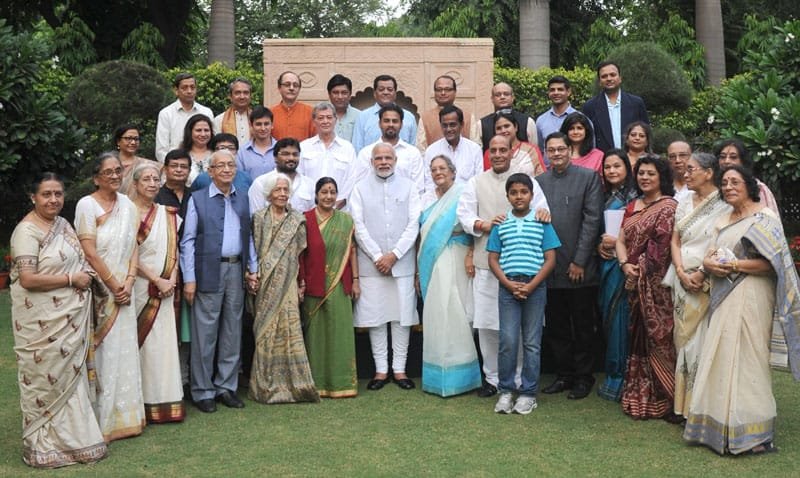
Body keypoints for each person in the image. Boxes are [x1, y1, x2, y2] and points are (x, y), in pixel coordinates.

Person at [683, 165, 800, 455]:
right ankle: (717, 429)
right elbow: (710, 257)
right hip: (723, 298)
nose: (729, 186)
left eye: (735, 181)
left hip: (752, 296)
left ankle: (752, 434)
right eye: (724, 183)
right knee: (720, 356)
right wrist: (706, 268)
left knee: (748, 358)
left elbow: (768, 265)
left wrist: (731, 266)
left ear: (749, 186)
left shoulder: (765, 219)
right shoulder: (722, 220)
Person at [10, 173, 108, 468]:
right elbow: (27, 279)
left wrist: (86, 277)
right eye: (46, 195)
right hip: (40, 324)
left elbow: (79, 260)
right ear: (33, 197)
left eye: (58, 194)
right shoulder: (26, 231)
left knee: (71, 377)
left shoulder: (63, 225)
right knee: (44, 381)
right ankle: (43, 446)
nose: (53, 200)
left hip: (69, 322)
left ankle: (78, 442)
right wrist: (71, 279)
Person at [457, 135, 550, 397]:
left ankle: (519, 378)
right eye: (493, 150)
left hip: (523, 266)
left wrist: (543, 214)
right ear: (488, 154)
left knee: (517, 327)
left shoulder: (527, 182)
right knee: (487, 323)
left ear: (512, 152)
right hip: (488, 264)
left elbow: (542, 211)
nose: (498, 154)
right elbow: (464, 215)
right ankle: (493, 378)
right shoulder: (476, 182)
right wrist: (484, 224)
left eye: (503, 150)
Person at [74, 153, 145, 441]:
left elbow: (133, 246)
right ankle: (99, 419)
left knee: (125, 350)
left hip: (124, 291)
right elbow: (88, 251)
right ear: (96, 178)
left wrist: (128, 281)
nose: (115, 176)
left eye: (118, 171)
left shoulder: (128, 205)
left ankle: (125, 418)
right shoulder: (86, 205)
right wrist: (114, 285)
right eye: (108, 172)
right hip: (100, 292)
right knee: (102, 351)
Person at [180, 150, 258, 413]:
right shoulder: (198, 199)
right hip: (207, 272)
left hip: (236, 270)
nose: (226, 169)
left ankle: (227, 387)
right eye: (220, 165)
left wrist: (253, 268)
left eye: (231, 165)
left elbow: (249, 236)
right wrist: (189, 279)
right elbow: (187, 241)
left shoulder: (243, 198)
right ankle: (202, 391)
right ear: (210, 171)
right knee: (205, 333)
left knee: (232, 331)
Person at [536, 132, 603, 400]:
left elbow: (592, 220)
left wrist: (580, 260)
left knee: (583, 325)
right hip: (550, 267)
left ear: (570, 150)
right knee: (557, 325)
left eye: (561, 149)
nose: (556, 154)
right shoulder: (539, 182)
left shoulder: (588, 178)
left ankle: (583, 377)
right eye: (551, 150)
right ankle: (564, 374)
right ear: (546, 153)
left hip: (580, 268)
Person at [350, 143, 421, 390]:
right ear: (371, 161)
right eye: (378, 158)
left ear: (395, 159)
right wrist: (379, 256)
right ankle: (381, 370)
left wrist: (395, 255)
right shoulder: (359, 189)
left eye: (387, 157)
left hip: (402, 264)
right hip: (372, 266)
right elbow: (357, 225)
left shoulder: (410, 187)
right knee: (377, 318)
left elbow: (414, 223)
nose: (383, 162)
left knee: (401, 318)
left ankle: (400, 370)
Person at [487, 173, 560, 414]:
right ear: (507, 196)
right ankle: (506, 390)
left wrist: (531, 285)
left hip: (535, 287)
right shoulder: (501, 223)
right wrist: (508, 284)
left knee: (531, 342)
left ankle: (528, 393)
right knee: (508, 340)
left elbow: (550, 259)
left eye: (524, 192)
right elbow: (493, 258)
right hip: (508, 288)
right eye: (514, 192)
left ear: (531, 195)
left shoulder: (542, 222)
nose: (519, 196)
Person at [664, 152, 730, 418]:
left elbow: (723, 243)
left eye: (691, 169)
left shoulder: (725, 205)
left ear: (709, 172)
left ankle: (701, 407)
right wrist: (681, 271)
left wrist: (701, 273)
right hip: (681, 279)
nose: (686, 173)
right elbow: (675, 240)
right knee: (682, 340)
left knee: (701, 343)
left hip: (708, 281)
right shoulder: (684, 201)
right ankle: (681, 407)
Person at [615, 154, 678, 421]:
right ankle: (640, 395)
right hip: (634, 284)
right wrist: (624, 264)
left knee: (662, 339)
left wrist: (641, 267)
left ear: (661, 177)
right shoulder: (632, 206)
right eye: (641, 173)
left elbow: (665, 250)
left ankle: (669, 396)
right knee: (637, 337)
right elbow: (620, 240)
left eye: (650, 173)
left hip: (660, 288)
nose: (645, 178)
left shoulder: (669, 207)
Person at [248, 173, 319, 403]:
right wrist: (251, 276)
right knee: (266, 332)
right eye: (277, 190)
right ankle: (265, 386)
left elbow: (300, 255)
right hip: (265, 284)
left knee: (290, 330)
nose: (281, 194)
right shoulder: (258, 218)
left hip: (289, 283)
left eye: (285, 190)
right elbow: (254, 251)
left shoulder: (297, 220)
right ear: (269, 194)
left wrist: (301, 283)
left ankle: (293, 385)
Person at [418, 155, 482, 397]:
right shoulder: (426, 197)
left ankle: (463, 376)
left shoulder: (464, 192)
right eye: (433, 169)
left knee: (459, 311)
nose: (438, 172)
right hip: (434, 262)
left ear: (453, 171)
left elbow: (474, 226)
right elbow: (422, 234)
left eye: (442, 168)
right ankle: (437, 376)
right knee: (437, 313)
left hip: (459, 257)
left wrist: (472, 254)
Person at [129, 163, 185, 423]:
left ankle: (165, 401)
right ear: (136, 184)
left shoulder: (168, 214)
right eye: (146, 179)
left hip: (166, 287)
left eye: (155, 179)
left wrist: (170, 279)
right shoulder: (126, 213)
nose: (152, 184)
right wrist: (155, 279)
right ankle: (139, 403)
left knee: (163, 345)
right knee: (142, 346)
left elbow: (174, 249)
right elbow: (127, 254)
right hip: (139, 287)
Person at [300, 177, 359, 398]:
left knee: (339, 332)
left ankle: (342, 383)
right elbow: (300, 254)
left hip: (339, 284)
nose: (328, 196)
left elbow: (351, 250)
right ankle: (316, 382)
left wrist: (356, 280)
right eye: (324, 192)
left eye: (332, 192)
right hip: (313, 283)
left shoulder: (345, 220)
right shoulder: (305, 220)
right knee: (316, 334)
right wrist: (301, 281)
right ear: (316, 195)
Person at [596, 149, 638, 401]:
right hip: (605, 265)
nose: (612, 171)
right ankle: (613, 373)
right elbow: (594, 228)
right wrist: (599, 245)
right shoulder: (601, 196)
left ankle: (622, 377)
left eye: (617, 166)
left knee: (623, 319)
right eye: (607, 167)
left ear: (626, 169)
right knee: (609, 319)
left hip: (626, 265)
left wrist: (620, 243)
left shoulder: (636, 197)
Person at [154, 149, 193, 393]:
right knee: (164, 326)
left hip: (190, 267)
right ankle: (163, 382)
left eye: (184, 166)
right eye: (174, 166)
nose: (179, 170)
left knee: (188, 327)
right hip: (161, 268)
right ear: (165, 168)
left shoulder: (196, 196)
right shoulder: (155, 196)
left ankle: (186, 379)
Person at [350, 104, 425, 197]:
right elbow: (359, 186)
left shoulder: (413, 153)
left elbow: (418, 188)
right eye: (386, 121)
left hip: (404, 206)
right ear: (379, 124)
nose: (391, 124)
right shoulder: (366, 153)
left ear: (401, 124)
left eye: (395, 121)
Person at [581, 61, 649, 153]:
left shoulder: (636, 103)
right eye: (604, 76)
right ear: (600, 81)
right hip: (602, 161)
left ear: (620, 78)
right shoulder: (590, 106)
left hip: (633, 159)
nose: (609, 78)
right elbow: (586, 138)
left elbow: (646, 133)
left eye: (613, 75)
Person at [298, 102, 358, 205]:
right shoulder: (304, 147)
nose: (325, 121)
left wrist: (336, 206)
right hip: (309, 209)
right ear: (314, 121)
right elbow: (298, 177)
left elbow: (352, 179)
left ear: (335, 120)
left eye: (329, 117)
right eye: (321, 118)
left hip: (339, 211)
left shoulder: (347, 148)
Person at [423, 105, 483, 193]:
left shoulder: (474, 149)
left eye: (452, 125)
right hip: (440, 203)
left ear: (461, 125)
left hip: (467, 202)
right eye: (445, 125)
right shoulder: (431, 151)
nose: (448, 129)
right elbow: (429, 184)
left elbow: (478, 182)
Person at [156, 72, 213, 162]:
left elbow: (211, 143)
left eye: (192, 87)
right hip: (176, 167)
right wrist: (175, 166)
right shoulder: (166, 113)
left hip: (204, 164)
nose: (189, 91)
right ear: (176, 90)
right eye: (184, 88)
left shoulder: (206, 112)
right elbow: (161, 150)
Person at [249, 137, 315, 215]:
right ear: (275, 158)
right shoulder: (261, 183)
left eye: (295, 154)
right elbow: (256, 219)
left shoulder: (309, 184)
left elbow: (313, 217)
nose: (291, 158)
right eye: (285, 154)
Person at [351, 74, 417, 152]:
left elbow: (414, 148)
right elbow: (357, 148)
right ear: (375, 93)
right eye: (381, 89)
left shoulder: (408, 117)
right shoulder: (363, 117)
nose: (385, 92)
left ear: (395, 93)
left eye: (389, 89)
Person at [715, 138, 780, 217]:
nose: (726, 161)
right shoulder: (715, 187)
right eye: (722, 157)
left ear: (743, 161)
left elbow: (769, 223)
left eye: (733, 157)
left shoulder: (758, 188)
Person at [415, 75, 479, 151]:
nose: (443, 93)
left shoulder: (468, 117)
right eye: (439, 90)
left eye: (447, 89)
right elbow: (421, 150)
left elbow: (476, 146)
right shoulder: (425, 118)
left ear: (455, 92)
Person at [484, 110, 545, 176]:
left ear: (516, 127)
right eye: (499, 128)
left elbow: (542, 177)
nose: (503, 131)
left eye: (506, 126)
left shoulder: (531, 150)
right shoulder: (490, 153)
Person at [479, 82, 537, 152]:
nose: (502, 97)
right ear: (492, 99)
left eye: (506, 94)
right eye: (498, 95)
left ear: (512, 98)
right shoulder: (481, 124)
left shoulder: (528, 122)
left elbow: (534, 150)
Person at [536, 75, 578, 154]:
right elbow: (540, 150)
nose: (556, 93)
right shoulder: (541, 120)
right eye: (552, 90)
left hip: (575, 165)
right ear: (548, 93)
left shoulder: (580, 118)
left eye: (560, 89)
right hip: (548, 166)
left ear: (568, 92)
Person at [114, 123, 160, 195]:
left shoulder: (147, 165)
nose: (133, 142)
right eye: (128, 138)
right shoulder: (109, 165)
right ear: (118, 141)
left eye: (136, 139)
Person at [270, 71, 315, 141]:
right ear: (279, 88)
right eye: (287, 84)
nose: (291, 88)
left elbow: (315, 140)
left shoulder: (310, 112)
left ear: (299, 89)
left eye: (295, 85)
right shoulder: (270, 113)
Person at [236, 106, 277, 179]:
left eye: (266, 124)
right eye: (258, 124)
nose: (263, 128)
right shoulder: (242, 153)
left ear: (272, 125)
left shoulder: (281, 149)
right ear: (251, 126)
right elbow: (241, 180)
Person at [213, 77, 253, 146]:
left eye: (246, 93)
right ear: (230, 96)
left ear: (250, 96)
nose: (242, 96)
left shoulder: (256, 119)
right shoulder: (219, 120)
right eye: (237, 93)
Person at [181, 114, 214, 186]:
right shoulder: (181, 156)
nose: (203, 134)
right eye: (198, 130)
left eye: (206, 130)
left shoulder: (216, 155)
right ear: (190, 132)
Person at [327, 74, 360, 142]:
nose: (340, 97)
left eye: (344, 93)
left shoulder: (359, 116)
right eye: (335, 93)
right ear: (329, 94)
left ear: (350, 94)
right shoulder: (321, 116)